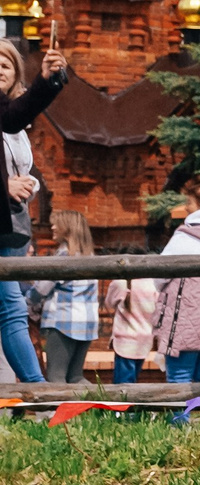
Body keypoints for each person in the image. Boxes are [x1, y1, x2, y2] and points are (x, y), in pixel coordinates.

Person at [0, 43, 70, 383]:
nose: (0, 69)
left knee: (10, 307)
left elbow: (15, 119)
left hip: (11, 224)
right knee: (11, 307)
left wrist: (48, 79)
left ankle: (37, 391)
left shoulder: (10, 114)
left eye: (6, 65)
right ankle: (39, 391)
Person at [153, 179, 200, 385]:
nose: (185, 207)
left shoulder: (187, 236)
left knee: (178, 376)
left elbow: (161, 272)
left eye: (189, 202)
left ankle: (179, 419)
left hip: (184, 315)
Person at [31, 211, 98, 383]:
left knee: (56, 376)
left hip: (63, 321)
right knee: (75, 377)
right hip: (87, 323)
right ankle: (102, 405)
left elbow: (42, 288)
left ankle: (58, 410)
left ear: (67, 228)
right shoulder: (90, 257)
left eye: (56, 224)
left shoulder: (64, 256)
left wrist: (26, 303)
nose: (52, 227)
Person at [102, 271, 158, 385]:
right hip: (145, 339)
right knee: (133, 379)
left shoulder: (119, 283)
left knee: (123, 385)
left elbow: (109, 304)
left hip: (125, 341)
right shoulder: (152, 282)